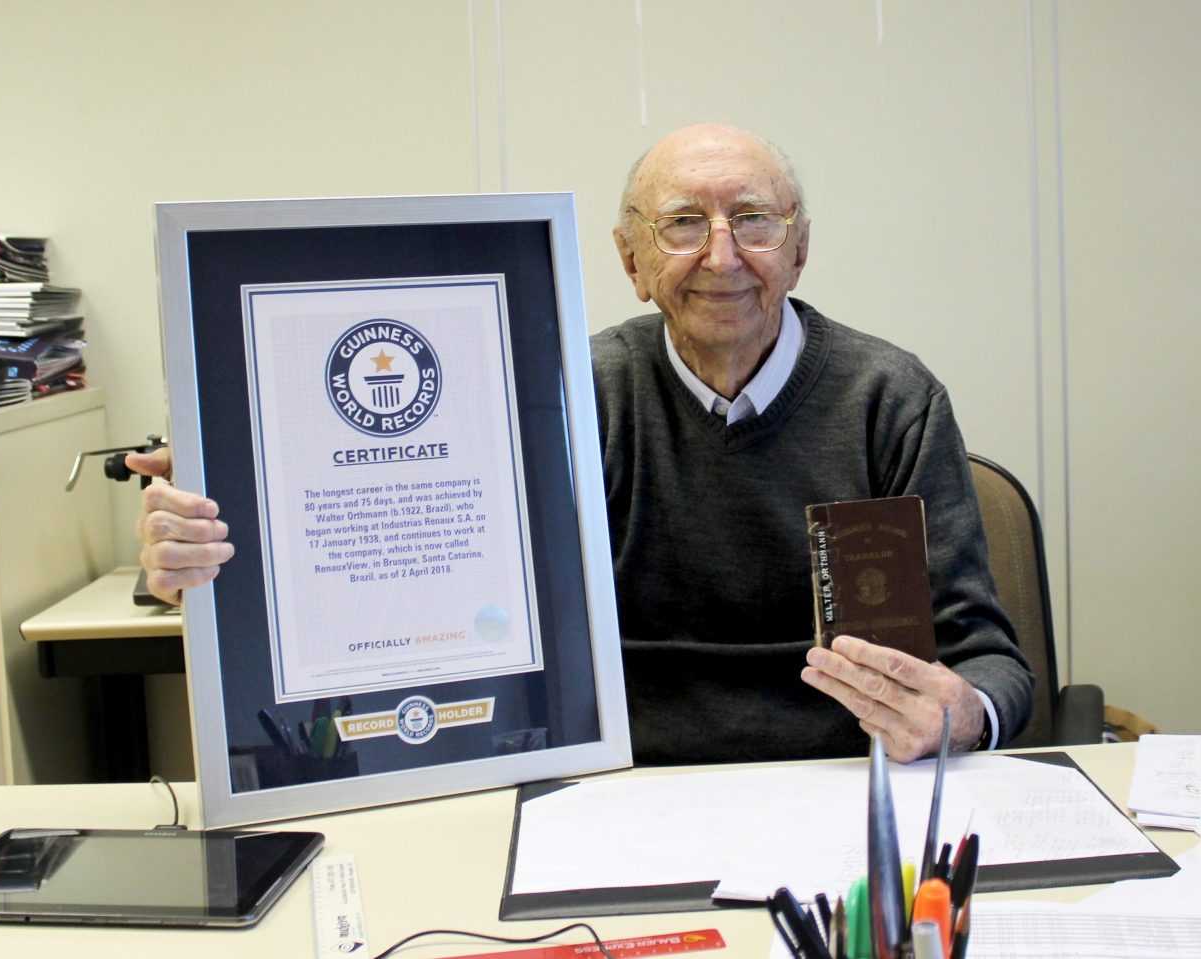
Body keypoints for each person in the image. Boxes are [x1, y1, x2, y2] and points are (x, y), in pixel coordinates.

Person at [130, 123, 1033, 765]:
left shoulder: (889, 400)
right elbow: (416, 570)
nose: (722, 255)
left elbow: (988, 657)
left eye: (754, 220)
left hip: (840, 780)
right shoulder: (563, 395)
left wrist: (964, 715)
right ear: (631, 260)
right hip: (617, 789)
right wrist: (223, 538)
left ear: (797, 252)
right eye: (683, 223)